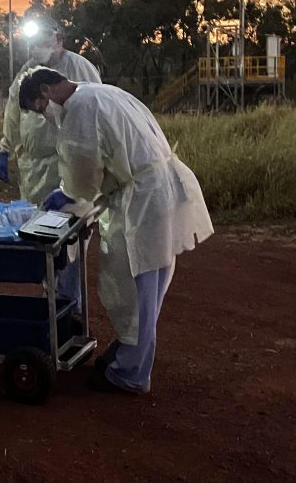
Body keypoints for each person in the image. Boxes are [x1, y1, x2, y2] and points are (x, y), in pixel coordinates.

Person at [19, 67, 214, 395]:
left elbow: (82, 176)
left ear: (45, 92)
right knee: (150, 285)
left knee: (133, 286)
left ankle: (130, 372)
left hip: (141, 201)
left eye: (39, 108)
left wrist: (66, 197)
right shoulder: (104, 92)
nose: (45, 115)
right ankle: (130, 352)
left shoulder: (79, 109)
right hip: (160, 188)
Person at [0, 19, 101, 205]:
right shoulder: (28, 71)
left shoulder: (79, 68)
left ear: (58, 40)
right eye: (33, 44)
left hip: (63, 164)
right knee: (35, 223)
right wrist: (5, 149)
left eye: (42, 43)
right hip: (32, 167)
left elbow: (93, 115)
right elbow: (14, 112)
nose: (36, 48)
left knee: (68, 222)